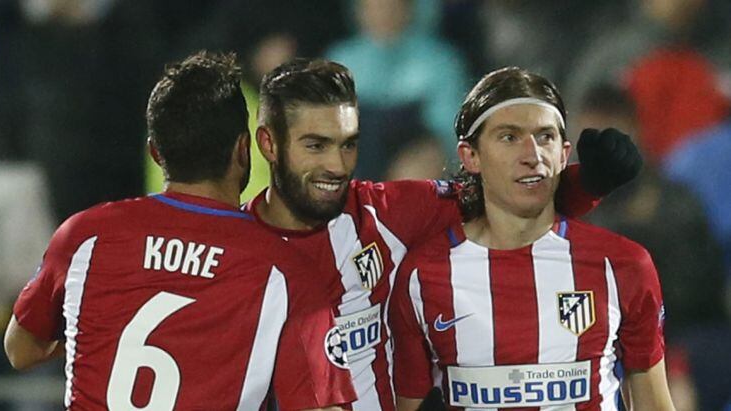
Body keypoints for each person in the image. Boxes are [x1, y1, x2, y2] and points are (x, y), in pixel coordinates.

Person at [246, 58, 643, 410]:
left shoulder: (387, 214)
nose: (336, 165)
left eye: (348, 145)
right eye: (316, 146)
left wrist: (587, 181)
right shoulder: (232, 254)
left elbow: (505, 196)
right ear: (269, 143)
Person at [3, 51, 355, 410]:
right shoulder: (287, 273)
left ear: (156, 153)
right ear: (244, 150)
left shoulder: (84, 236)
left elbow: (20, 349)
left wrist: (92, 337)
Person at [390, 67, 675, 410]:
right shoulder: (422, 276)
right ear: (471, 156)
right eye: (509, 137)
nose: (532, 155)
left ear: (564, 154)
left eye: (545, 137)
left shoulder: (623, 265)